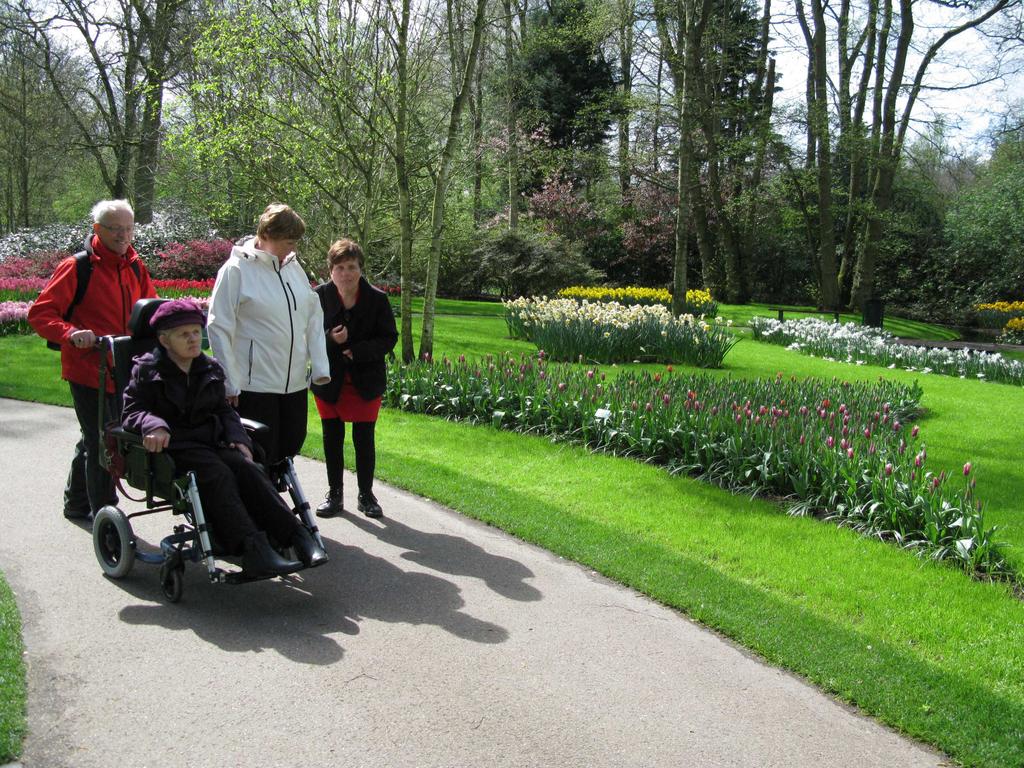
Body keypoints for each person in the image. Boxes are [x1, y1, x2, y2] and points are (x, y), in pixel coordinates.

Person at [121, 299, 328, 576]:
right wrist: (154, 425)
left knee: (248, 469)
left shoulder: (209, 367)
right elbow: (133, 410)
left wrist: (238, 438)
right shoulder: (146, 370)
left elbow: (223, 410)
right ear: (164, 340)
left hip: (210, 441)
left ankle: (297, 537)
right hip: (176, 447)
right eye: (184, 334)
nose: (194, 339)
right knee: (218, 474)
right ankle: (251, 548)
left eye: (196, 332)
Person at [28, 199, 157, 522]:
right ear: (97, 230)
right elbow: (41, 313)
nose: (124, 235)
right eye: (116, 229)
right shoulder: (78, 266)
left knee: (97, 437)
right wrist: (71, 333)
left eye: (128, 229)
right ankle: (106, 516)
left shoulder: (135, 265)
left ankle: (76, 502)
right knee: (104, 441)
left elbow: (152, 308)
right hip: (89, 369)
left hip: (126, 367)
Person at [207, 203, 330, 468]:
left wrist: (319, 367)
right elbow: (218, 326)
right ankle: (258, 506)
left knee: (289, 446)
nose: (293, 248)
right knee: (259, 453)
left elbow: (313, 315)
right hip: (254, 386)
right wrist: (229, 382)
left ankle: (271, 503)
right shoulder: (236, 270)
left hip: (293, 385)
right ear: (266, 236)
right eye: (288, 242)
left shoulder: (293, 269)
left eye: (295, 242)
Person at [312, 238, 397, 519]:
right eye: (339, 267)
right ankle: (335, 494)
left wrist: (357, 351)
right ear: (330, 269)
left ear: (360, 268)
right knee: (332, 438)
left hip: (365, 380)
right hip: (328, 381)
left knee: (364, 439)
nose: (345, 273)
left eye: (351, 267)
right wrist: (329, 339)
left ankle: (366, 495)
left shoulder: (377, 299)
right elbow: (303, 337)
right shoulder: (318, 297)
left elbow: (389, 338)